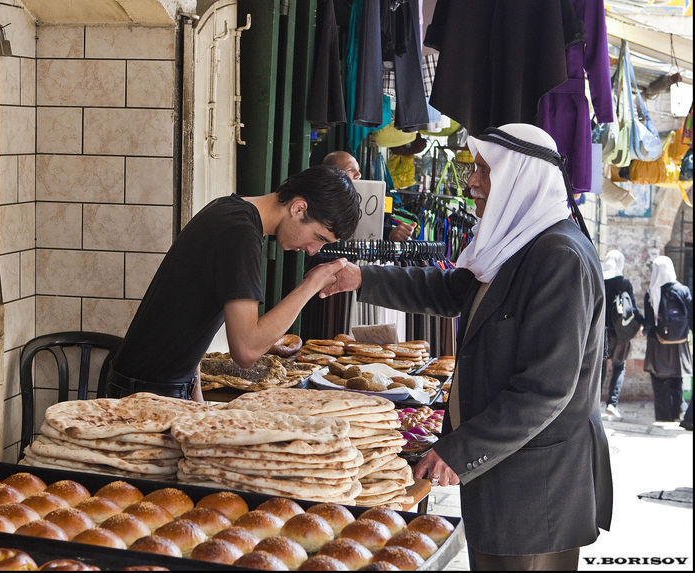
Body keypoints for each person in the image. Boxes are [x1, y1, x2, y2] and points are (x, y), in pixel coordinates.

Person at [320, 124, 612, 570]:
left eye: (483, 170)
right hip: (506, 477)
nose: (471, 182)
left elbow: (546, 389)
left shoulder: (559, 258)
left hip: (537, 489)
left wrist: (459, 450)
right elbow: (449, 290)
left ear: (520, 178)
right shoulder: (516, 245)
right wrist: (362, 277)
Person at [105, 165, 360, 401]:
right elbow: (247, 351)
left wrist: (194, 386)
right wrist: (311, 285)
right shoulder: (239, 233)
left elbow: (188, 304)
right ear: (298, 208)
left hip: (156, 383)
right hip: (147, 390)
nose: (314, 250)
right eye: (319, 237)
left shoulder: (229, 210)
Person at [322, 150, 416, 242]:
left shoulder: (371, 200)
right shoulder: (322, 203)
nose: (359, 175)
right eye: (350, 170)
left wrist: (391, 234)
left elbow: (376, 229)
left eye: (358, 170)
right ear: (332, 175)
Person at [642, 256, 693, 423]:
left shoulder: (652, 292)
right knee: (677, 380)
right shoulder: (683, 290)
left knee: (659, 381)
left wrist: (646, 331)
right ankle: (677, 412)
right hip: (679, 343)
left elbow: (649, 323)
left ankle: (663, 417)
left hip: (658, 344)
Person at [601, 249, 643, 418]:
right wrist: (643, 322)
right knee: (619, 366)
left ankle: (593, 402)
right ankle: (612, 403)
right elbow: (631, 307)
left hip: (601, 333)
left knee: (599, 368)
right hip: (620, 333)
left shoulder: (599, 279)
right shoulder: (623, 283)